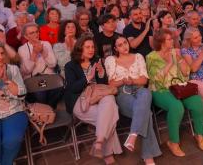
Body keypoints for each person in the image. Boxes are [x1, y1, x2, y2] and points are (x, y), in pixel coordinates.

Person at [146, 28, 203, 157]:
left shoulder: (176, 52)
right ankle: (173, 142)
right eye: (169, 39)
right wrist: (169, 63)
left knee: (197, 101)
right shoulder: (151, 57)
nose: (173, 41)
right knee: (176, 106)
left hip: (179, 87)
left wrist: (180, 60)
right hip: (161, 90)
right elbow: (157, 80)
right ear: (161, 42)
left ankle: (199, 134)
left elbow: (186, 73)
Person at [64, 35, 121, 164]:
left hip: (98, 96)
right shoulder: (70, 66)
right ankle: (107, 153)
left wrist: (101, 74)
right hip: (79, 99)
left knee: (109, 100)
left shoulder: (97, 60)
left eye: (92, 47)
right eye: (87, 47)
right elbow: (72, 88)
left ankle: (99, 142)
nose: (91, 50)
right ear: (80, 49)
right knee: (109, 115)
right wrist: (87, 79)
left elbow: (103, 84)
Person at [105, 36, 161, 165]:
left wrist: (133, 81)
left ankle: (133, 134)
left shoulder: (138, 56)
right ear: (115, 48)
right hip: (122, 92)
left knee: (146, 92)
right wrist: (124, 81)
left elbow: (144, 80)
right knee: (146, 113)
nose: (124, 46)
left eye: (125, 42)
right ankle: (148, 156)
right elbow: (112, 83)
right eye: (119, 45)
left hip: (140, 89)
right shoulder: (111, 60)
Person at [17, 23, 61, 108]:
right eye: (31, 33)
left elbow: (53, 64)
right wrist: (34, 53)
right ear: (26, 36)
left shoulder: (46, 44)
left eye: (36, 32)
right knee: (41, 92)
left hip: (49, 77)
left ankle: (49, 110)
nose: (35, 34)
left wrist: (43, 51)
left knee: (59, 87)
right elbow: (27, 70)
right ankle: (46, 112)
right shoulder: (22, 49)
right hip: (33, 80)